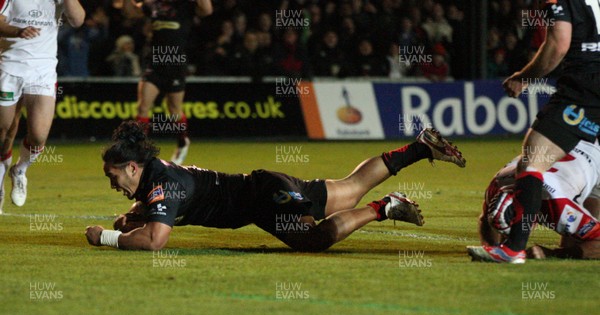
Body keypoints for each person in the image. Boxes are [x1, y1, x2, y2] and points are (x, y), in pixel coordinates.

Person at [85, 122, 466, 251]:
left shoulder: (162, 183)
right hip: (263, 187)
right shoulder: (156, 175)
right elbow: (146, 216)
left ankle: (384, 208)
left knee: (313, 240)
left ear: (131, 166)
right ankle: (419, 148)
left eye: (112, 176)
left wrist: (105, 237)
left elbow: (155, 241)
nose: (112, 184)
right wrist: (128, 220)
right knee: (349, 189)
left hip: (265, 199)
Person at [476, 0, 600, 263]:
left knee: (532, 161)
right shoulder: (498, 185)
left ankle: (513, 249)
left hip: (583, 91)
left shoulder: (560, 1)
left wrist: (523, 76)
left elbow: (558, 43)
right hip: (587, 151)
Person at [0, 0, 85, 208]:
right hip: (9, 65)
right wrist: (17, 31)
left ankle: (19, 170)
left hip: (42, 70)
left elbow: (78, 20)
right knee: (4, 130)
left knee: (38, 136)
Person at [468, 140, 600, 262]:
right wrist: (493, 249)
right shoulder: (497, 185)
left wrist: (551, 253)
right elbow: (485, 219)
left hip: (594, 156)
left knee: (574, 245)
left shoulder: (558, 205)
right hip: (562, 144)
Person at [123, 0, 213, 165]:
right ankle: (139, 150)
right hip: (154, 63)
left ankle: (182, 141)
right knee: (143, 106)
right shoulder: (153, 5)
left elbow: (207, 10)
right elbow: (130, 12)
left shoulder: (186, 5)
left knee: (174, 110)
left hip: (175, 63)